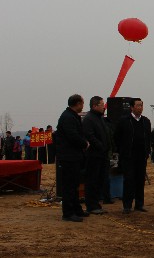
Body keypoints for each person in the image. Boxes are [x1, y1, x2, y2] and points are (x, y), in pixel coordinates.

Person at [55, 94, 90, 222]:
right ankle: (68, 213)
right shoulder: (67, 117)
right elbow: (73, 136)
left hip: (74, 156)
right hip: (68, 157)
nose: (83, 106)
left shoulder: (72, 116)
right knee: (69, 186)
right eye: (82, 103)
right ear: (78, 103)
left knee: (75, 185)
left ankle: (77, 209)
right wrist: (84, 143)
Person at [114, 97, 151, 214]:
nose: (140, 107)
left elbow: (148, 137)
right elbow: (117, 137)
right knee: (129, 180)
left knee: (140, 180)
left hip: (142, 156)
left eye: (141, 105)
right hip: (128, 156)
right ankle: (127, 205)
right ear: (132, 107)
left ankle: (139, 204)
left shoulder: (146, 121)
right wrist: (122, 150)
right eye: (138, 105)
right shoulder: (124, 121)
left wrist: (147, 151)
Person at [82, 96, 110, 214]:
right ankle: (91, 206)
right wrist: (101, 146)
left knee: (100, 180)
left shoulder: (100, 118)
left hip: (102, 155)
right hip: (94, 155)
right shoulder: (89, 119)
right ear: (94, 106)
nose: (104, 107)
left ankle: (96, 204)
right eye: (101, 105)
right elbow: (90, 136)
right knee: (92, 180)